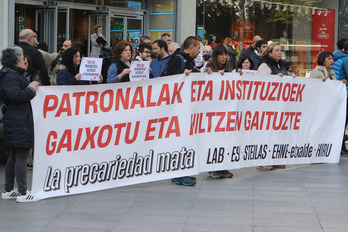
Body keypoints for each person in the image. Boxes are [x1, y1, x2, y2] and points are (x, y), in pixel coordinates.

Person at [0, 47, 40, 202]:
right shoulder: (11, 76)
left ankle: (9, 189)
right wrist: (31, 89)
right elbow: (15, 95)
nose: (25, 59)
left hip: (16, 119)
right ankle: (23, 193)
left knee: (15, 155)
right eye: (23, 56)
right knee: (21, 155)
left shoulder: (11, 75)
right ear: (17, 60)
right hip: (19, 120)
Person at [162, 36, 202, 186]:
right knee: (181, 139)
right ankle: (179, 173)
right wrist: (181, 76)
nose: (199, 51)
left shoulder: (187, 60)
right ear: (191, 47)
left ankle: (179, 172)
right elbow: (165, 79)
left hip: (186, 107)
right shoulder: (178, 59)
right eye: (198, 48)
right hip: (177, 108)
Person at [257, 42, 288, 170]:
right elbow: (262, 84)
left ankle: (275, 158)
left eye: (281, 50)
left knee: (276, 132)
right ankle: (263, 160)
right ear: (270, 53)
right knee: (266, 133)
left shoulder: (280, 65)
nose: (280, 52)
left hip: (277, 106)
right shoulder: (264, 65)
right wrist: (275, 78)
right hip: (267, 106)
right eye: (277, 50)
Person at [204, 45, 234, 179]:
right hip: (213, 110)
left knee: (224, 139)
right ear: (216, 56)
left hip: (225, 110)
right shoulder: (209, 67)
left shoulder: (228, 68)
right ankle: (212, 167)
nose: (223, 57)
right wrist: (215, 76)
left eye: (225, 54)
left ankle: (223, 166)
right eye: (221, 54)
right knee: (213, 140)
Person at [332, 39, 348, 153]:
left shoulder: (336, 57)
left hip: (340, 92)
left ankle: (340, 145)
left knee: (342, 119)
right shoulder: (346, 59)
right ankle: (341, 146)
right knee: (344, 120)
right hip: (346, 92)